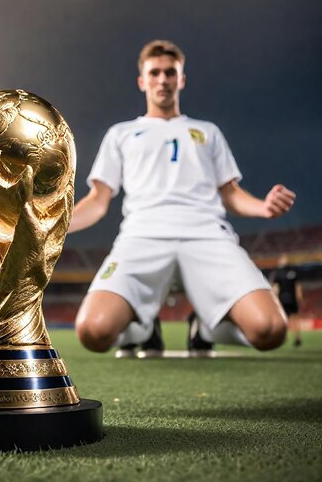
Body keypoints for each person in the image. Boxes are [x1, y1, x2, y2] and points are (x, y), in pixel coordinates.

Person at [68, 39, 295, 356]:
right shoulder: (121, 134)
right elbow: (97, 201)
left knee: (271, 331)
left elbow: (231, 194)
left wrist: (264, 207)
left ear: (182, 79)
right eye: (155, 73)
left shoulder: (207, 132)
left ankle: (206, 326)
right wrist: (57, 224)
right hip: (142, 236)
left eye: (170, 73)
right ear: (142, 81)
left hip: (205, 235)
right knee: (93, 332)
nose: (163, 80)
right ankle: (143, 329)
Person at [271, 254, 303, 346]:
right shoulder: (278, 272)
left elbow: (297, 285)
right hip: (282, 298)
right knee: (284, 319)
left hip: (292, 299)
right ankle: (284, 337)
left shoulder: (293, 271)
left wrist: (299, 296)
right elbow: (276, 287)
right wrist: (275, 298)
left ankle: (298, 338)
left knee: (295, 318)